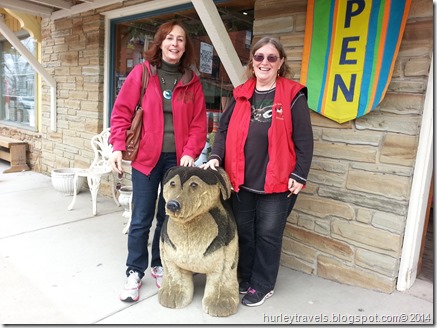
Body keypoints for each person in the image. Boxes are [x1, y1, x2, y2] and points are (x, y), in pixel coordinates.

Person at [202, 36, 313, 307]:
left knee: (268, 234)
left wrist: (300, 173)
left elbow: (304, 139)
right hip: (242, 181)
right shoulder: (241, 93)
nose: (265, 62)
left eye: (271, 58)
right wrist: (216, 156)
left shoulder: (292, 94)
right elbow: (224, 130)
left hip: (276, 184)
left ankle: (263, 284)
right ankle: (246, 276)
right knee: (245, 232)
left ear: (280, 63)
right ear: (252, 62)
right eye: (259, 57)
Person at [109, 20, 207, 302]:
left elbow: (200, 124)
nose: (175, 44)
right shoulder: (142, 73)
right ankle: (134, 271)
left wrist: (190, 151)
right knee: (141, 218)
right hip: (146, 159)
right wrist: (117, 145)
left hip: (178, 162)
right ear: (160, 42)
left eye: (180, 40)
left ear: (184, 47)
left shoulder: (192, 81)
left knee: (167, 217)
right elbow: (121, 113)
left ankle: (159, 263)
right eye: (170, 38)